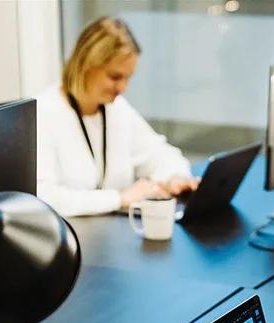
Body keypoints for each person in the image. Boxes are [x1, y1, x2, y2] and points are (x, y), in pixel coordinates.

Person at [36, 16, 197, 217]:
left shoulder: (115, 108)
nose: (122, 88)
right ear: (85, 65)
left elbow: (158, 153)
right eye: (114, 77)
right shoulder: (43, 113)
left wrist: (176, 177)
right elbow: (44, 198)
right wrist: (120, 198)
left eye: (127, 77)